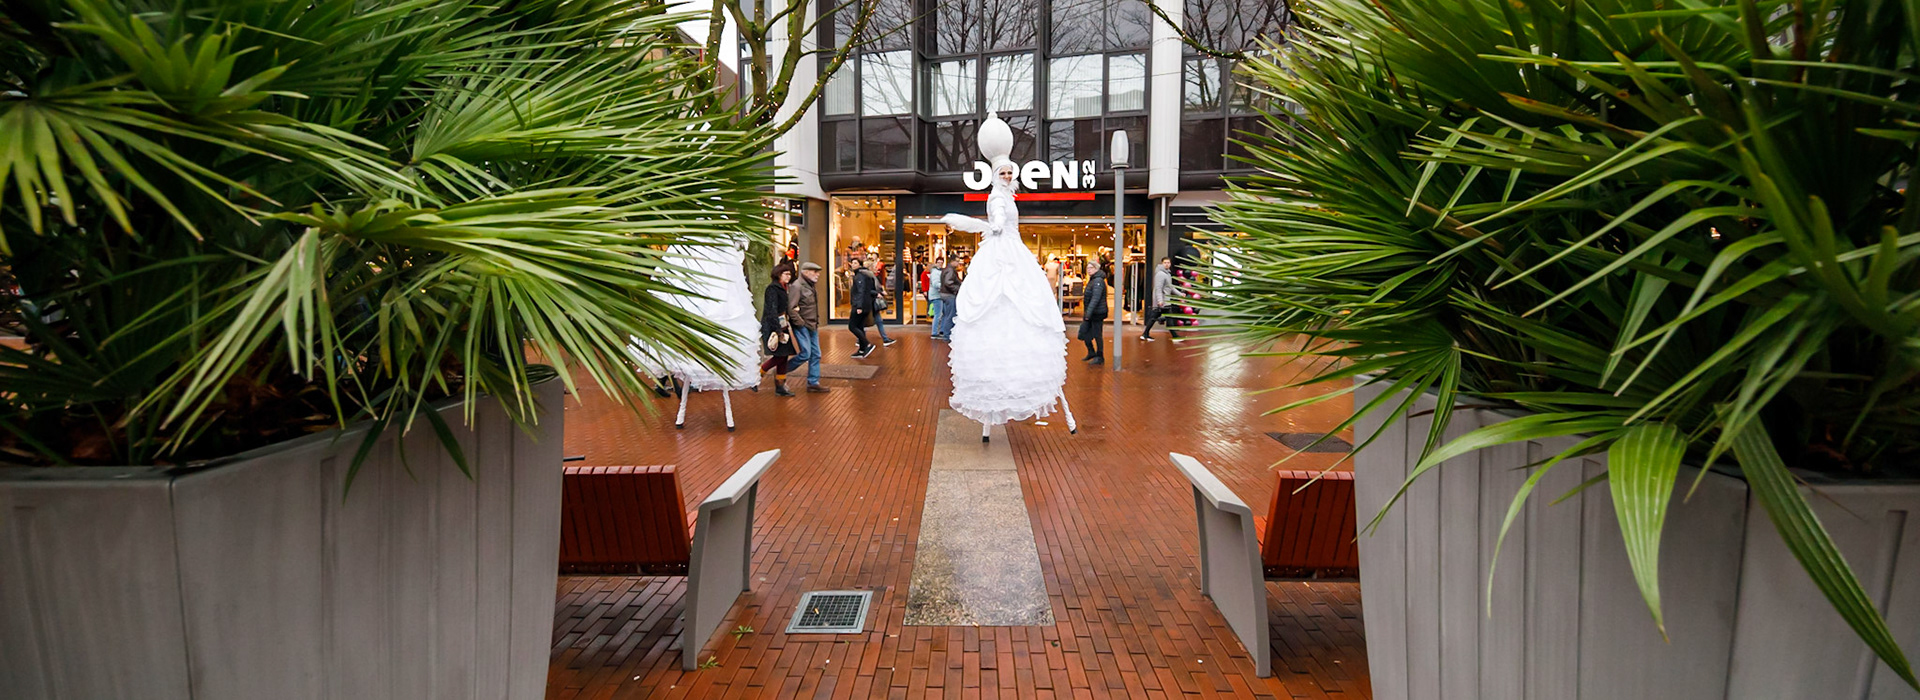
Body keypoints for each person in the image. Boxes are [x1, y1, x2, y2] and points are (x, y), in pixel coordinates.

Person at [940, 112, 1076, 440]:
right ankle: (995, 407)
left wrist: (994, 225)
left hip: (1013, 255)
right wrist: (994, 224)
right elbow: (998, 218)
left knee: (1024, 313)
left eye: (1008, 172)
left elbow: (1002, 219)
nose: (1005, 176)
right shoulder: (996, 197)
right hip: (1002, 256)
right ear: (993, 174)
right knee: (998, 311)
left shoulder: (1007, 195)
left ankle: (1027, 397)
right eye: (1001, 172)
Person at [627, 238, 761, 430]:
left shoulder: (713, 241)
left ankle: (689, 411)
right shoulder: (693, 242)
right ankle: (691, 410)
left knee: (720, 314)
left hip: (712, 268)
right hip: (699, 266)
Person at [785, 262, 830, 393]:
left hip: (812, 324)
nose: (817, 275)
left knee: (816, 354)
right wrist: (800, 323)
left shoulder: (810, 286)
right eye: (814, 272)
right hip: (803, 325)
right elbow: (791, 308)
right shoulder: (797, 286)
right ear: (805, 272)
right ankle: (782, 370)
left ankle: (813, 382)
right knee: (806, 354)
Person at [759, 263, 798, 397]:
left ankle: (780, 385)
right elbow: (772, 310)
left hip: (782, 325)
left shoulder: (783, 288)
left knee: (784, 355)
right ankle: (758, 375)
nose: (789, 276)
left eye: (789, 274)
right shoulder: (772, 289)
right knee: (780, 355)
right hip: (774, 326)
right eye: (786, 274)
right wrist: (778, 330)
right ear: (778, 274)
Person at [1141, 256, 1180, 341]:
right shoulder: (1161, 274)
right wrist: (1160, 301)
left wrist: (1180, 294)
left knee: (1154, 317)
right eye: (1165, 263)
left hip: (1165, 300)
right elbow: (1158, 288)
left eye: (1168, 263)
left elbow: (1171, 287)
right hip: (1163, 301)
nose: (1167, 264)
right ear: (1162, 263)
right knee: (1165, 317)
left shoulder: (1167, 274)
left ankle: (1145, 334)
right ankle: (1175, 336)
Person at [1077, 260, 1108, 364]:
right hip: (1091, 312)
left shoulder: (1098, 281)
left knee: (1097, 334)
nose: (1089, 270)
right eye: (1088, 268)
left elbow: (1096, 298)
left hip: (1097, 313)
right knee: (1084, 332)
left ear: (1096, 269)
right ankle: (1091, 352)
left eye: (1091, 268)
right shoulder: (1093, 280)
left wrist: (1088, 314)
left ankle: (1100, 356)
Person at [848, 258, 878, 358]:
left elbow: (860, 292)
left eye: (855, 263)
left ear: (860, 264)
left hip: (860, 305)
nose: (853, 264)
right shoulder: (866, 275)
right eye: (852, 263)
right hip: (866, 304)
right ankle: (862, 349)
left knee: (852, 326)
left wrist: (859, 306)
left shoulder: (860, 276)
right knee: (860, 326)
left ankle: (867, 344)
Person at [868, 257, 897, 347]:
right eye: (875, 267)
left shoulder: (873, 277)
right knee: (866, 322)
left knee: (878, 321)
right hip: (869, 302)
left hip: (872, 302)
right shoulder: (869, 277)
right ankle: (860, 339)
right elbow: (867, 289)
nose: (877, 269)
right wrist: (877, 293)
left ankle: (885, 339)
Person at [935, 258, 961, 340]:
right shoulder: (950, 270)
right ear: (952, 261)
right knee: (951, 315)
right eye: (957, 261)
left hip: (944, 294)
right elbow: (948, 282)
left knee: (946, 315)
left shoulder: (946, 269)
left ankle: (945, 332)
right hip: (949, 295)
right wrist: (957, 289)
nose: (958, 263)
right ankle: (947, 334)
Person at [927, 258, 946, 339]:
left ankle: (940, 330)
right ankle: (934, 333)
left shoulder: (938, 271)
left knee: (941, 313)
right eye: (939, 262)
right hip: (936, 295)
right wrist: (944, 286)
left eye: (941, 263)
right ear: (936, 263)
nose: (940, 264)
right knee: (938, 314)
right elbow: (935, 284)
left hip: (938, 295)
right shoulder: (935, 272)